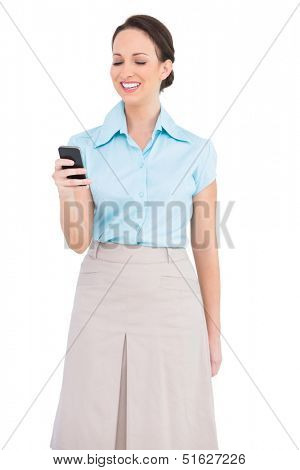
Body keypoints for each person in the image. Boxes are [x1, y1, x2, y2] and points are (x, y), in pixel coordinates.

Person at [50, 14, 221, 450]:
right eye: (117, 61)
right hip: (100, 288)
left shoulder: (197, 151)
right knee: (94, 422)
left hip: (172, 293)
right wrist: (67, 195)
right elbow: (77, 242)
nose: (126, 72)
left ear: (165, 69)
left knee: (170, 430)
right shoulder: (85, 144)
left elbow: (205, 246)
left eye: (140, 61)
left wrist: (213, 332)